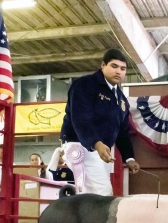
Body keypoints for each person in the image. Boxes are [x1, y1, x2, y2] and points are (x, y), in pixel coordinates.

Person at [60, 48, 140, 196]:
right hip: (80, 146)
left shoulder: (121, 99)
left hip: (103, 151)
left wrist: (129, 157)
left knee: (90, 195)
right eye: (114, 66)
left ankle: (82, 219)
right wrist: (96, 143)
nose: (118, 72)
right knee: (103, 193)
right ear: (103, 65)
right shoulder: (84, 85)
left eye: (123, 69)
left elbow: (122, 132)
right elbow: (80, 118)